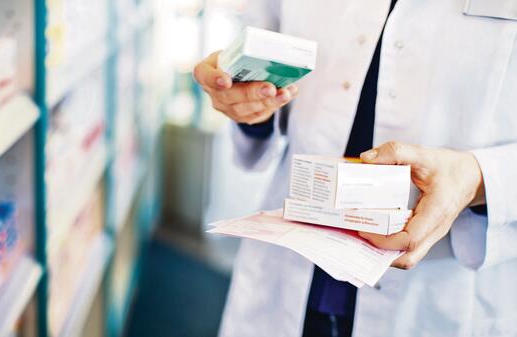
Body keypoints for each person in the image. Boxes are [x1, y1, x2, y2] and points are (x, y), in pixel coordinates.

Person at [193, 1, 517, 336]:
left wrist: (479, 178)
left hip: (443, 289)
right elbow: (264, 60)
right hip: (290, 274)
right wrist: (248, 106)